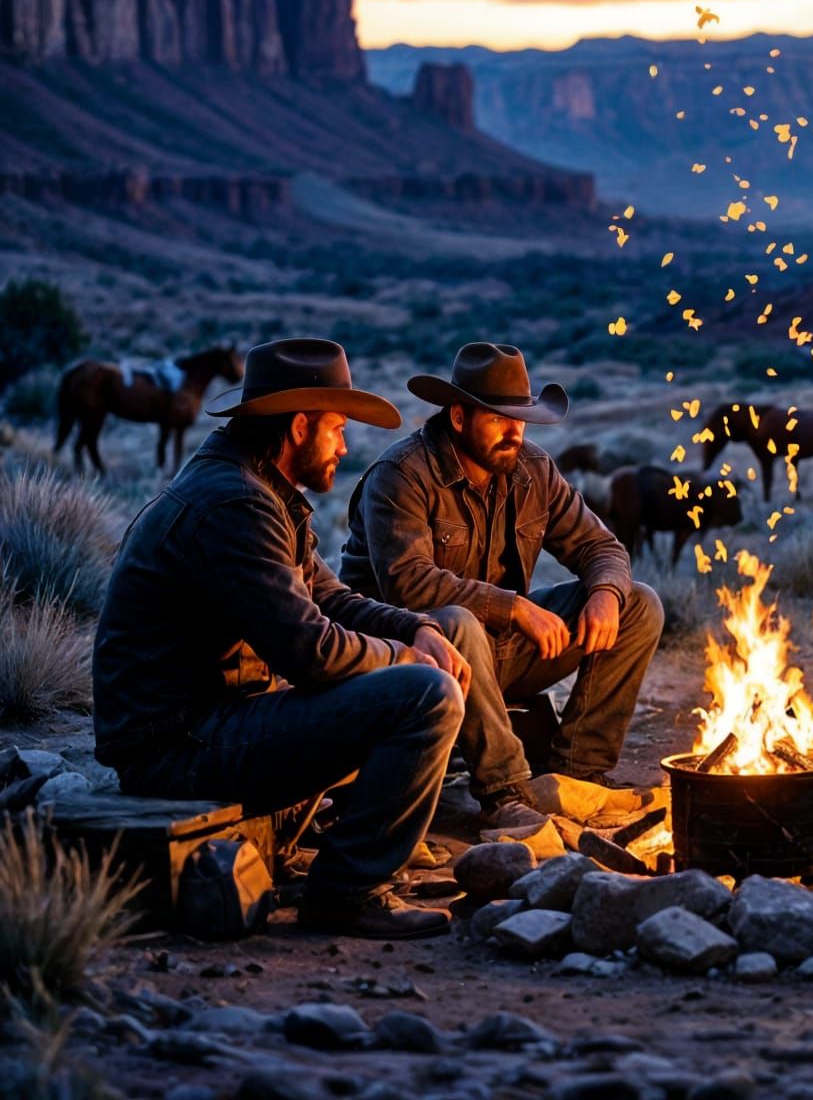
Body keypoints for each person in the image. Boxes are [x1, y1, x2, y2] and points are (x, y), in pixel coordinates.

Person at [93, 339, 477, 940]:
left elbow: (330, 598)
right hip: (176, 751)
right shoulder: (235, 505)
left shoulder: (254, 487)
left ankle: (321, 845)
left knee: (437, 639)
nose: (345, 447)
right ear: (300, 427)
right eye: (338, 429)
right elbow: (311, 652)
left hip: (203, 725)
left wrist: (416, 628)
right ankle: (347, 893)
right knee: (426, 697)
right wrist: (405, 658)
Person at [339, 343, 664, 826]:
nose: (514, 432)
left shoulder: (533, 469)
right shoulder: (401, 475)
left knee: (638, 603)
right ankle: (505, 794)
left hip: (497, 653)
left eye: (521, 419)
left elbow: (601, 546)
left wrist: (605, 594)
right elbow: (407, 584)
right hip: (410, 660)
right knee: (457, 622)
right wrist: (513, 607)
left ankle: (578, 775)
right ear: (458, 417)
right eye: (497, 419)